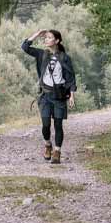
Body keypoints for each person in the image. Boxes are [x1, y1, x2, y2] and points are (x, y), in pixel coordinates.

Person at [22, 29, 77, 164]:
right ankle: (48, 145)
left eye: (49, 38)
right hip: (45, 95)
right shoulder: (41, 54)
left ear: (57, 41)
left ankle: (57, 152)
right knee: (46, 124)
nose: (46, 40)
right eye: (45, 38)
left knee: (58, 125)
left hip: (59, 95)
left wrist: (72, 95)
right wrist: (37, 34)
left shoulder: (64, 57)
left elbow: (70, 77)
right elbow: (25, 47)